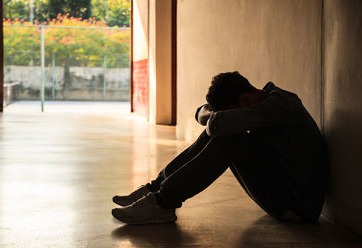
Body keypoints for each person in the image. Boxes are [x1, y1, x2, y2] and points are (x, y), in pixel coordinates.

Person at [111, 71, 328, 225]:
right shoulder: (261, 100)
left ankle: (162, 203)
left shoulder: (279, 105)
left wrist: (215, 117)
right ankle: (156, 189)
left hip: (299, 206)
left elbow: (215, 122)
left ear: (244, 100)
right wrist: (214, 116)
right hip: (283, 191)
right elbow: (202, 113)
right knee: (225, 132)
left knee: (229, 138)